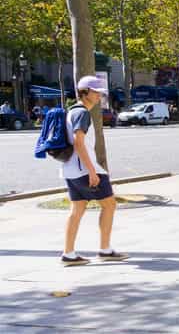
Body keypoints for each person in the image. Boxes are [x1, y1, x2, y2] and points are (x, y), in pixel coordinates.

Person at [61, 76, 128, 266]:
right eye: (96, 91)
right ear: (85, 92)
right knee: (109, 204)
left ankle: (69, 254)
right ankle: (105, 250)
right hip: (84, 169)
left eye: (100, 92)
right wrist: (92, 171)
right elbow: (79, 142)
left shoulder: (71, 111)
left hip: (70, 169)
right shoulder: (82, 113)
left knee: (77, 210)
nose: (99, 95)